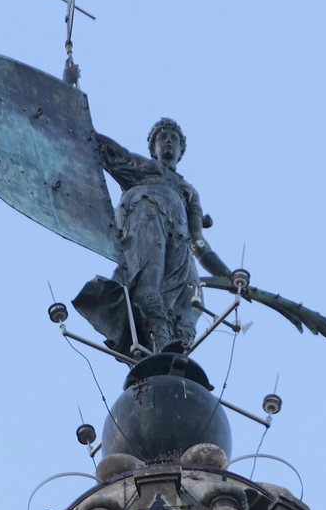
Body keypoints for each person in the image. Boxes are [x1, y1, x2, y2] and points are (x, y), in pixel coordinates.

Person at [73, 118, 231, 355]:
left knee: (191, 301)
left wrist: (230, 277)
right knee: (148, 282)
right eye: (162, 137)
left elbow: (198, 242)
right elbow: (100, 145)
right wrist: (74, 105)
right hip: (146, 216)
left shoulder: (189, 191)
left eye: (174, 138)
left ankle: (179, 353)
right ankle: (161, 343)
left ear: (181, 150)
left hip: (178, 239)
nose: (168, 141)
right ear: (153, 147)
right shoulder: (142, 166)